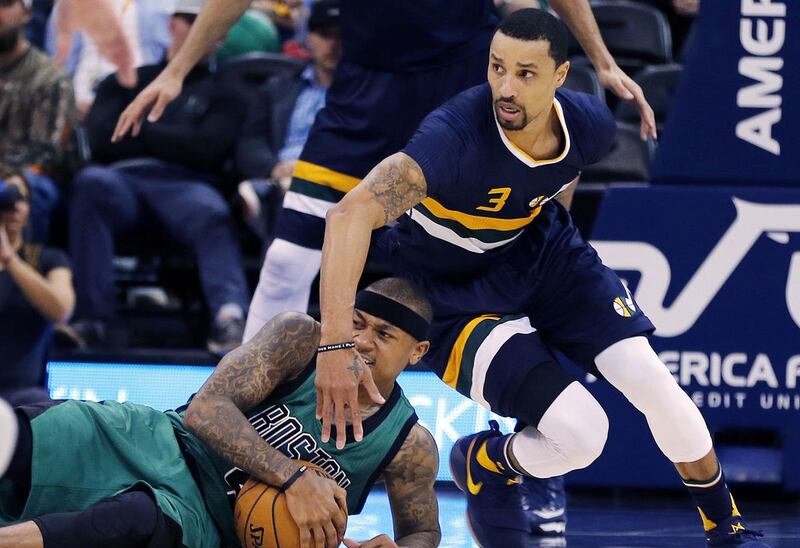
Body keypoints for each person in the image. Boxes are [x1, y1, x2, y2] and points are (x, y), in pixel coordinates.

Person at [310, 9, 781, 548]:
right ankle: (488, 461)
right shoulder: (454, 134)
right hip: (450, 296)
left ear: (561, 76)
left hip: (544, 257)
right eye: (496, 68)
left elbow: (563, 175)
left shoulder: (589, 125)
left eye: (526, 73)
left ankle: (724, 531)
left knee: (652, 380)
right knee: (585, 436)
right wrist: (334, 344)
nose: (505, 88)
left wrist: (546, 261)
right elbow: (348, 214)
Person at [110, 0, 656, 346]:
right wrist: (178, 71)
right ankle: (234, 414)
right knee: (284, 261)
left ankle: (520, 444)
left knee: (507, 261)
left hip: (462, 93)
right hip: (365, 95)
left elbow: (523, 7)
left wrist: (601, 59)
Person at [0, 277, 441, 548]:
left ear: (417, 352)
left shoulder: (409, 445)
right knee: (25, 439)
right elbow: (206, 411)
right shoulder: (301, 339)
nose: (361, 341)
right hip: (163, 438)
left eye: (384, 335)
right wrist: (293, 476)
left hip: (204, 519)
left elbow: (423, 533)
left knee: (123, 521)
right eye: (357, 323)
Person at [66, 0, 251, 354]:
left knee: (211, 210)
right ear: (171, 25)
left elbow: (209, 150)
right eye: (187, 21)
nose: (195, 30)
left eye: (203, 23)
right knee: (90, 183)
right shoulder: (126, 80)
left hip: (187, 185)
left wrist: (141, 128)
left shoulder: (228, 92)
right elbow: (101, 139)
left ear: (221, 34)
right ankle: (93, 321)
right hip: (122, 181)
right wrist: (178, 138)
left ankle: (230, 315)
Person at [235, 0, 340, 233]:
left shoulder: (364, 94)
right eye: (325, 34)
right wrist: (274, 167)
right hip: (282, 174)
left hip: (336, 180)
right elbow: (251, 140)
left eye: (341, 35)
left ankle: (269, 196)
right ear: (309, 37)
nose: (333, 44)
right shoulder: (277, 87)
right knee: (282, 196)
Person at [0, 0, 76, 243]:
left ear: (27, 13)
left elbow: (48, 153)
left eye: (5, 4)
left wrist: (12, 176)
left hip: (28, 177)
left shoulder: (49, 77)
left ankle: (25, 271)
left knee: (24, 190)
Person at [0, 170, 74, 408]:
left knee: (52, 413)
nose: (15, 205)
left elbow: (62, 309)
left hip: (23, 395)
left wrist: (10, 259)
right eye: (8, 196)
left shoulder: (47, 259)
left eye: (22, 197)